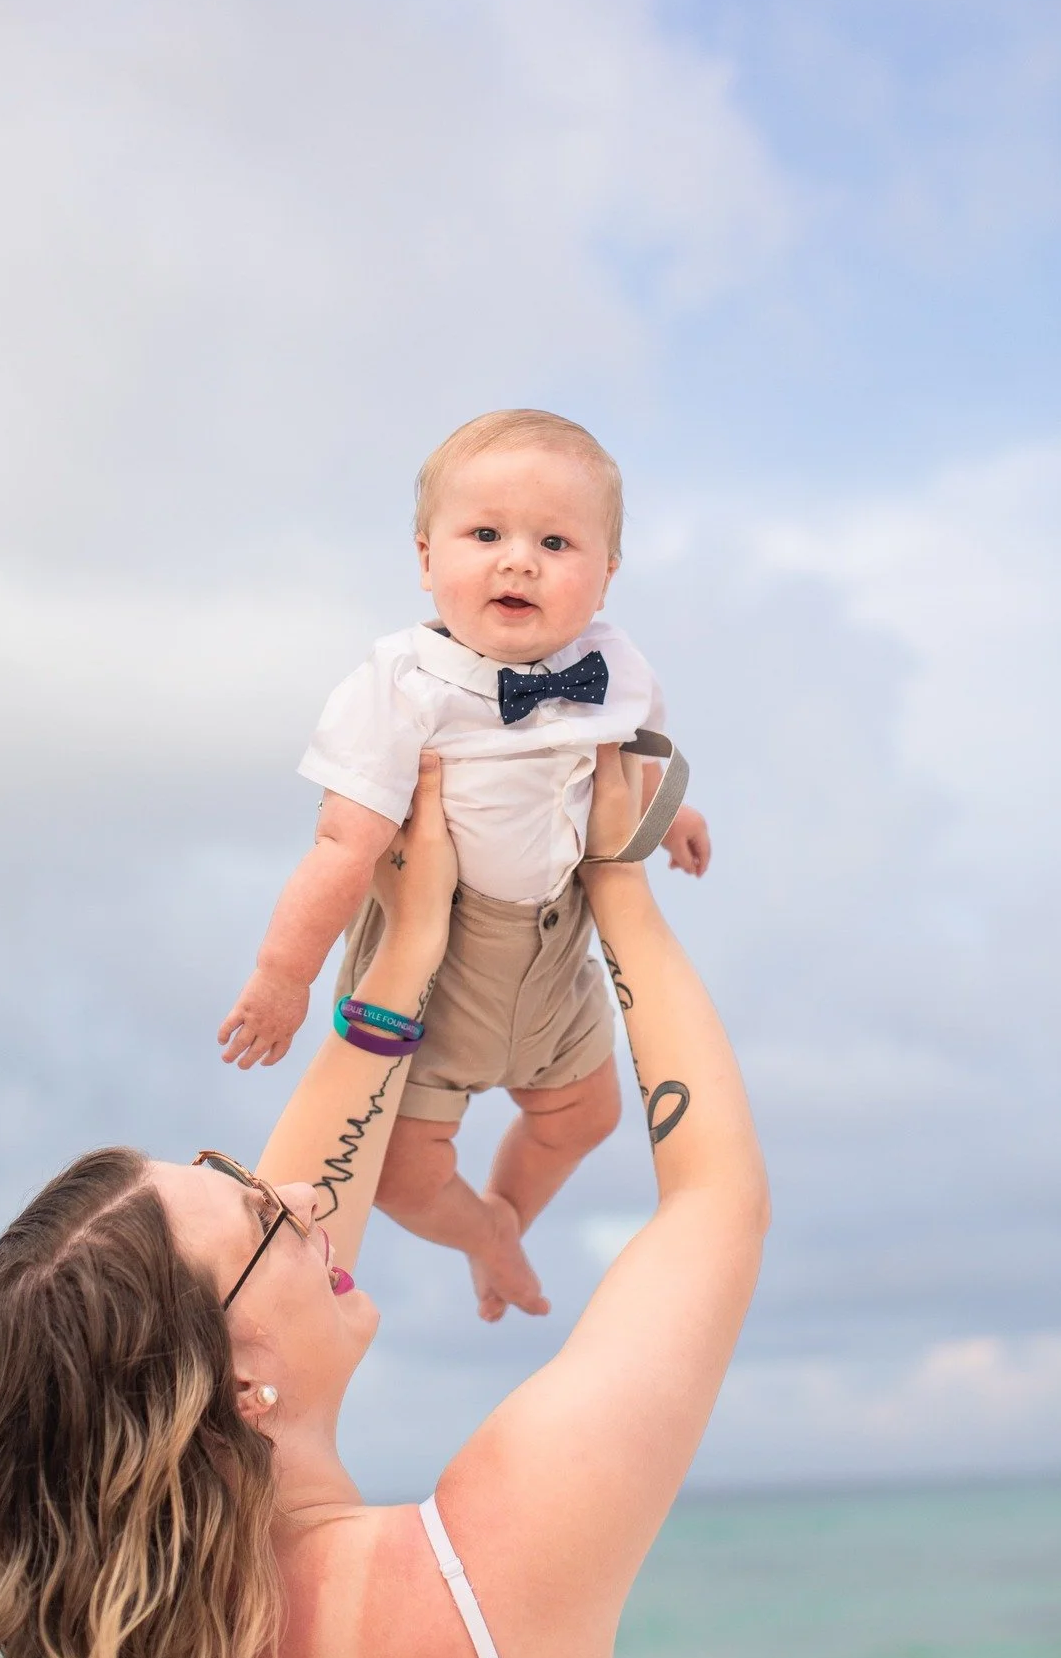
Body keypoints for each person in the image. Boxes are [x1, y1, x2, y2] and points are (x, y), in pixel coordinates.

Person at [0, 748, 767, 1658]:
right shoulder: (491, 1568)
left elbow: (268, 1246)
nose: (303, 1197)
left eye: (243, 1176)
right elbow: (714, 1201)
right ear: (244, 1389)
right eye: (261, 1218)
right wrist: (620, 885)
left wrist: (411, 942)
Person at [217, 409, 711, 1324]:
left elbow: (627, 755)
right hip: (438, 962)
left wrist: (671, 812)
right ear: (424, 557)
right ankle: (479, 1237)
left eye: (554, 542)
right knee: (404, 1174)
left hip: (558, 949)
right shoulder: (399, 685)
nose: (517, 559)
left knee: (588, 1118)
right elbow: (341, 846)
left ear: (604, 575)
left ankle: (507, 1219)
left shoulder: (612, 664)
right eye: (484, 534)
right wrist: (281, 977)